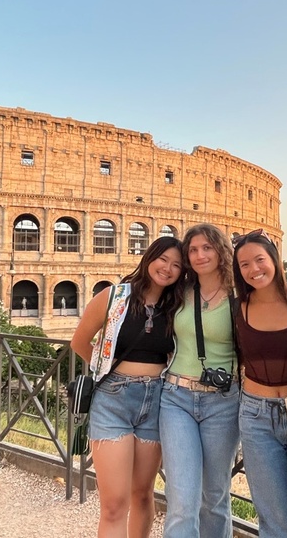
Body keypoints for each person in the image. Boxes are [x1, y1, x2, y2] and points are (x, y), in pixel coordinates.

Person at [70, 236, 185, 538]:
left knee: (144, 495)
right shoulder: (113, 296)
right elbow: (80, 341)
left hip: (157, 400)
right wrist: (105, 369)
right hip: (112, 401)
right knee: (113, 504)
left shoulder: (176, 307)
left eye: (176, 265)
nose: (168, 268)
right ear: (150, 257)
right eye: (163, 259)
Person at [159, 224, 240, 538]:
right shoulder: (180, 291)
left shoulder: (239, 294)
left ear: (221, 250)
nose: (199, 255)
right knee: (181, 499)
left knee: (215, 496)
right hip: (176, 397)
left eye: (207, 247)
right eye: (192, 250)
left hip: (223, 401)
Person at [232, 228, 287, 538]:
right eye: (244, 265)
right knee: (276, 518)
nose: (254, 269)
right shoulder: (238, 308)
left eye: (260, 260)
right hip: (255, 417)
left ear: (275, 260)